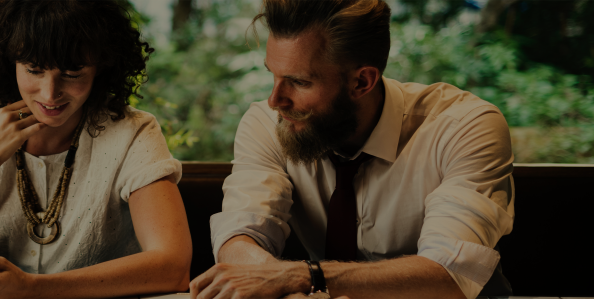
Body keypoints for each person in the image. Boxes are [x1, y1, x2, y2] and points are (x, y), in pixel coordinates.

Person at [191, 0, 514, 298]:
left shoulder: (465, 126)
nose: (276, 100)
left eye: (300, 82)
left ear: (362, 82)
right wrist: (279, 278)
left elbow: (451, 271)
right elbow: (240, 235)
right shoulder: (268, 123)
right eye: (273, 76)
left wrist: (306, 276)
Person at [0, 1, 192, 298]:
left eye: (72, 73)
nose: (50, 94)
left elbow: (173, 267)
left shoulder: (133, 131)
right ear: (9, 62)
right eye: (34, 70)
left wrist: (31, 289)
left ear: (101, 67)